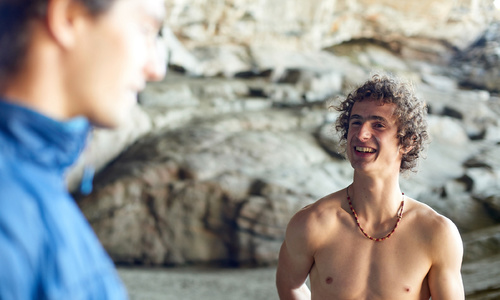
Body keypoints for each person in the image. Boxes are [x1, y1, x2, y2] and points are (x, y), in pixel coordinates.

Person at [0, 0, 166, 298]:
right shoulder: (11, 209)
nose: (156, 68)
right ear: (67, 18)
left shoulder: (35, 183)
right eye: (144, 29)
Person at [276, 74, 465, 299]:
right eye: (356, 122)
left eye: (378, 124)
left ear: (407, 141)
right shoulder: (312, 223)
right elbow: (290, 285)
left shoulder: (437, 233)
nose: (361, 134)